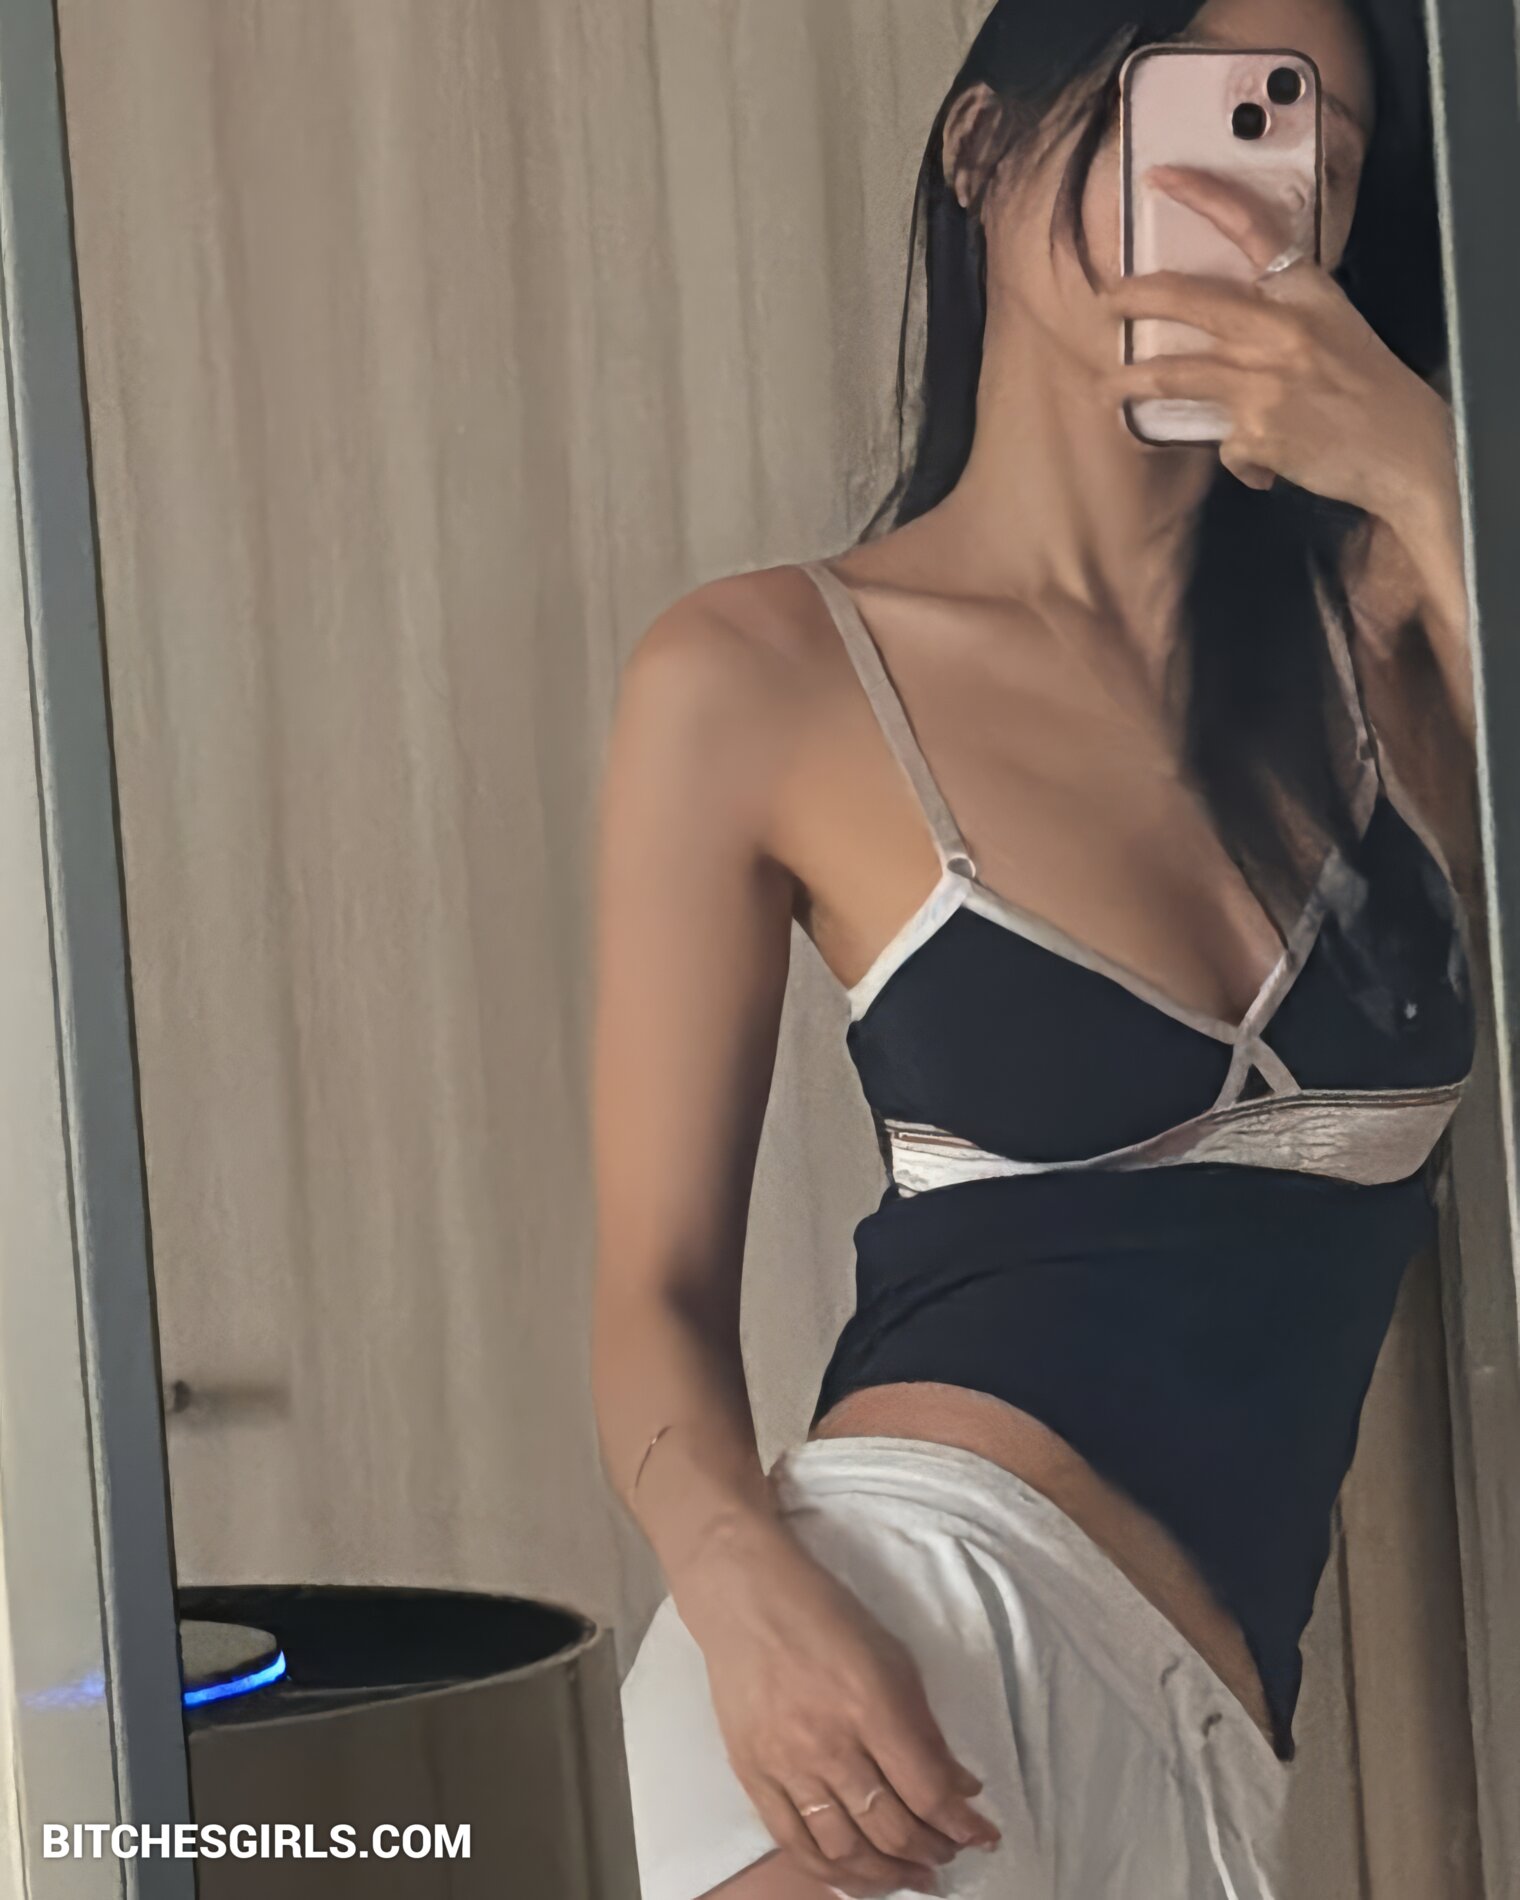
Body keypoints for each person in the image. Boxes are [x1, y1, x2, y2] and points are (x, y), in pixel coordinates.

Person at [591, 0, 1479, 1894]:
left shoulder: (1410, 622)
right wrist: (742, 1591)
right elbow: (651, 1288)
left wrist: (1421, 465)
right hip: (893, 1651)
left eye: (1319, 152)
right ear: (983, 151)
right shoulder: (759, 675)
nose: (1261, 188)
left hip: (1213, 1745)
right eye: (1208, 108)